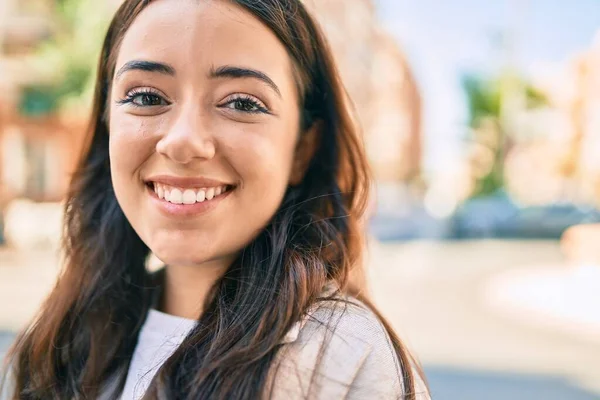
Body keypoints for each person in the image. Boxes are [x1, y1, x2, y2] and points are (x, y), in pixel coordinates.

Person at [2, 0, 429, 398]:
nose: (183, 141)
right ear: (107, 124)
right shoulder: (51, 347)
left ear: (302, 148)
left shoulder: (350, 358)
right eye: (146, 97)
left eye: (242, 102)